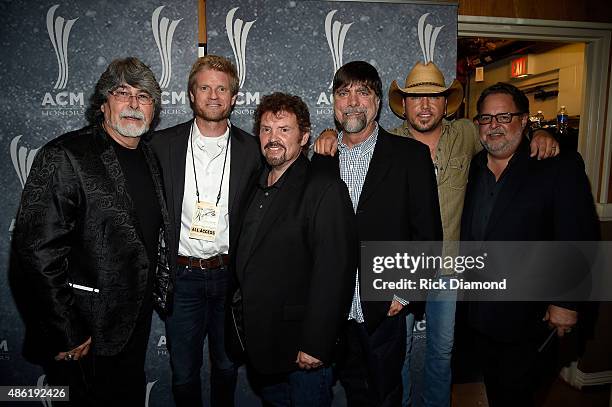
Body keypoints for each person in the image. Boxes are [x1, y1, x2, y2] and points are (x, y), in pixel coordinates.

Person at [315, 61, 559, 407]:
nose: (425, 105)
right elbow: (352, 124)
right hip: (363, 287)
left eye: (433, 97)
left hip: (444, 270)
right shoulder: (376, 144)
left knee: (439, 354)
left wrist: (540, 134)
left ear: (447, 104)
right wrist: (327, 134)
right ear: (403, 105)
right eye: (416, 98)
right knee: (389, 366)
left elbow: (505, 135)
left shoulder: (467, 134)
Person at [11, 57, 172, 405]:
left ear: (154, 108)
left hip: (134, 324)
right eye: (122, 93)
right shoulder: (65, 155)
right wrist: (67, 330)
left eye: (143, 96)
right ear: (102, 104)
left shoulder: (149, 157)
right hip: (84, 332)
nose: (133, 103)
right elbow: (37, 252)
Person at [312, 61, 443, 406]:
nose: (353, 101)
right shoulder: (321, 159)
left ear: (378, 102)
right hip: (335, 310)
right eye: (344, 92)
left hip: (383, 308)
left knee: (385, 394)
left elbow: (428, 235)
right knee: (353, 392)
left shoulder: (411, 156)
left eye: (363, 92)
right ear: (334, 102)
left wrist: (403, 295)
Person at [461, 82, 599, 406]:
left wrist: (566, 302)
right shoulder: (474, 167)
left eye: (503, 116)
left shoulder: (556, 165)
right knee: (496, 391)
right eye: (485, 118)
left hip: (529, 318)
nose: (493, 126)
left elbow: (578, 234)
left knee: (520, 396)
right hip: (480, 315)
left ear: (524, 121)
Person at [228, 92, 356, 406]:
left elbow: (334, 272)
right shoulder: (254, 183)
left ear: (304, 137)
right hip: (261, 342)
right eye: (267, 130)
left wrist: (316, 342)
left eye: (284, 130)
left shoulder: (323, 188)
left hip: (302, 346)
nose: (274, 138)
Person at [150, 55, 261, 407]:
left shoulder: (255, 149)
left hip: (231, 279)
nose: (213, 95)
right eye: (205, 87)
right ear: (191, 94)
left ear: (234, 97)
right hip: (181, 278)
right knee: (183, 373)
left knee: (227, 368)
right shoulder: (160, 145)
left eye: (222, 88)